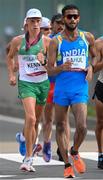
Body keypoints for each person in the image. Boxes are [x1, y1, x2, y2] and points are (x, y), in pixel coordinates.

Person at [47, 4, 97, 178]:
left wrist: (91, 66)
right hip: (62, 88)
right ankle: (67, 165)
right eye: (69, 17)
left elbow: (95, 55)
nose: (72, 19)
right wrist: (61, 67)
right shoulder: (56, 42)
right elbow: (49, 70)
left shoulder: (87, 37)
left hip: (79, 87)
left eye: (75, 16)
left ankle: (74, 151)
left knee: (82, 126)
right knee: (60, 126)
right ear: (64, 19)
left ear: (79, 18)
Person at [7, 8, 50, 172]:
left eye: (38, 21)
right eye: (32, 21)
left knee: (36, 121)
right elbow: (10, 55)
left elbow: (52, 67)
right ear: (26, 23)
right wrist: (11, 73)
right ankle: (28, 158)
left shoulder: (47, 42)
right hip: (26, 83)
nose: (36, 24)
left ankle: (24, 138)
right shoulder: (18, 41)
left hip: (42, 84)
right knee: (31, 119)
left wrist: (44, 60)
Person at [42, 13, 70, 162]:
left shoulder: (68, 39)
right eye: (57, 23)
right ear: (51, 25)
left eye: (62, 23)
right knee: (48, 118)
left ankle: (63, 149)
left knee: (64, 119)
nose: (60, 26)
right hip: (48, 82)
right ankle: (46, 143)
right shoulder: (47, 41)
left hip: (64, 83)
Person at [92, 37, 103, 169]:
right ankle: (101, 154)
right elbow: (93, 68)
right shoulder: (99, 43)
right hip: (102, 86)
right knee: (101, 122)